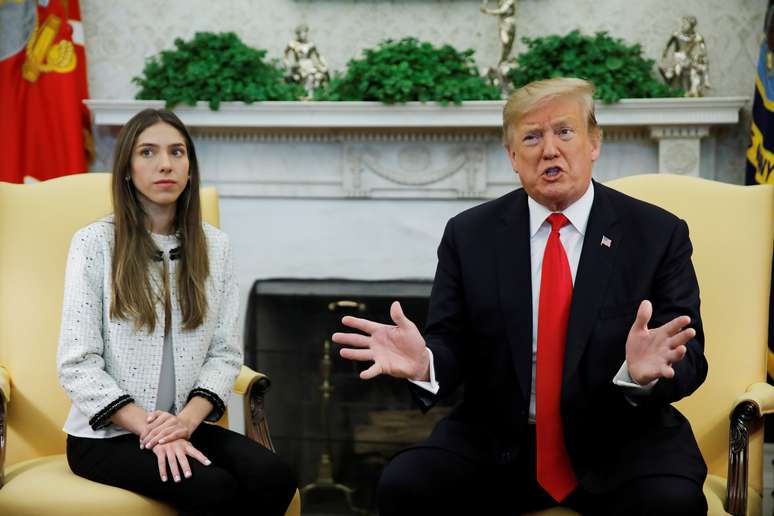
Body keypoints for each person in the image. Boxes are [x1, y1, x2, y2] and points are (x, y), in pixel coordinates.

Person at [333, 77, 708, 515]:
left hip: (621, 440)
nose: (549, 150)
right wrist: (426, 364)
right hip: (499, 443)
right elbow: (451, 342)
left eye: (564, 132)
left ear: (594, 143)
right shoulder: (469, 235)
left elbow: (690, 357)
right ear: (512, 156)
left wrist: (642, 375)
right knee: (405, 485)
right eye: (531, 137)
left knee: (673, 503)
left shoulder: (657, 233)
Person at [57, 108, 297, 515]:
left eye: (177, 152)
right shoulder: (94, 243)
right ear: (127, 168)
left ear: (189, 168)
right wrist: (153, 430)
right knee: (214, 489)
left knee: (274, 476)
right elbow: (77, 364)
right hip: (106, 436)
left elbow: (224, 353)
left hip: (185, 422)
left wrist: (184, 424)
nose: (165, 164)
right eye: (147, 152)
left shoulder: (215, 246)